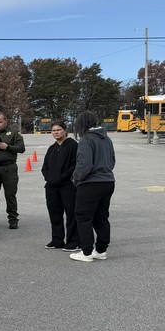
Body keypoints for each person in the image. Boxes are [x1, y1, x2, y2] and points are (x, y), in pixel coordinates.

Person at [69, 111, 115, 263]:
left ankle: (86, 251)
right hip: (108, 181)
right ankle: (101, 250)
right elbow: (112, 160)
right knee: (101, 216)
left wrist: (76, 178)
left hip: (90, 183)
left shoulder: (86, 140)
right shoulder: (106, 139)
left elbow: (84, 164)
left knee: (83, 216)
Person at [41, 121, 79, 252]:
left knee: (71, 214)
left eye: (58, 130)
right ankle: (57, 240)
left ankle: (73, 241)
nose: (56, 132)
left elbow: (74, 166)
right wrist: (49, 178)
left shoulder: (73, 145)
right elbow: (44, 167)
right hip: (51, 187)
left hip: (67, 186)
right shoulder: (51, 148)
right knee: (54, 213)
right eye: (53, 130)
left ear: (65, 131)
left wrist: (61, 177)